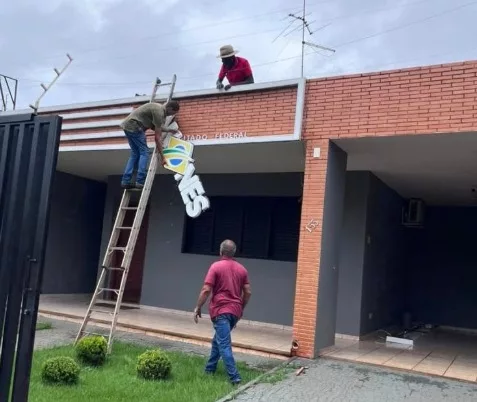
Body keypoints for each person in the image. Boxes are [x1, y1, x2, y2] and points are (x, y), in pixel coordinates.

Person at [193, 239, 252, 385]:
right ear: (233, 252)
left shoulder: (216, 267)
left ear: (221, 251)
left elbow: (206, 289)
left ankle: (235, 378)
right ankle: (209, 369)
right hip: (234, 312)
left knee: (224, 344)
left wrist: (198, 307)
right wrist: (241, 308)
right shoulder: (242, 269)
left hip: (221, 311)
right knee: (217, 341)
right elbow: (248, 292)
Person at [120, 100, 180, 190]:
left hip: (128, 126)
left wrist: (169, 130)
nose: (171, 115)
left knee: (135, 154)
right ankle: (140, 181)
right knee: (144, 152)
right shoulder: (159, 112)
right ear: (170, 108)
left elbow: (157, 126)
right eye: (173, 113)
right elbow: (157, 138)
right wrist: (163, 157)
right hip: (136, 127)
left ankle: (125, 181)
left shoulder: (157, 108)